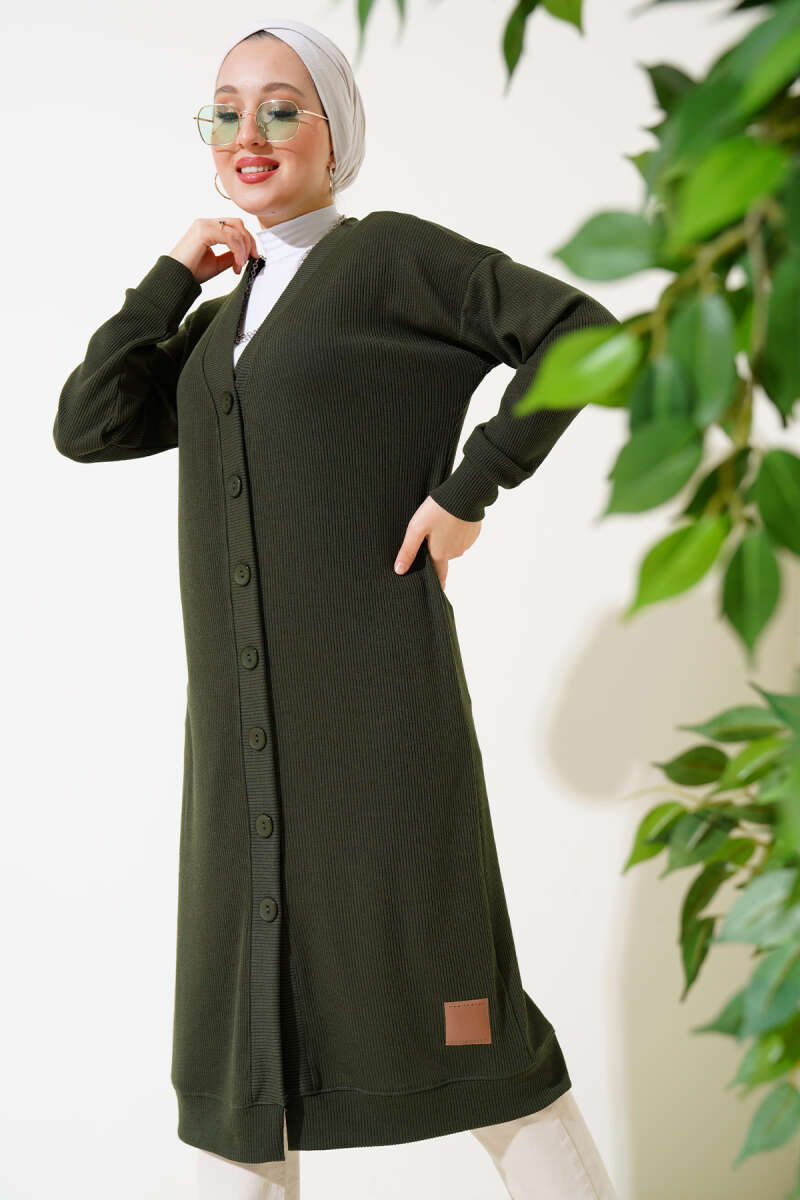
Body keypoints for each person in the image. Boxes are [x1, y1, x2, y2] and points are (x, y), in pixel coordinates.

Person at [53, 15, 619, 1199]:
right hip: (244, 761)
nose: (248, 131)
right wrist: (173, 277)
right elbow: (91, 424)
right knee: (243, 1075)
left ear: (335, 131)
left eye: (281, 106)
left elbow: (579, 332)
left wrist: (468, 490)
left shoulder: (389, 258)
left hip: (374, 731)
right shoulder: (222, 323)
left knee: (481, 1053)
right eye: (225, 110)